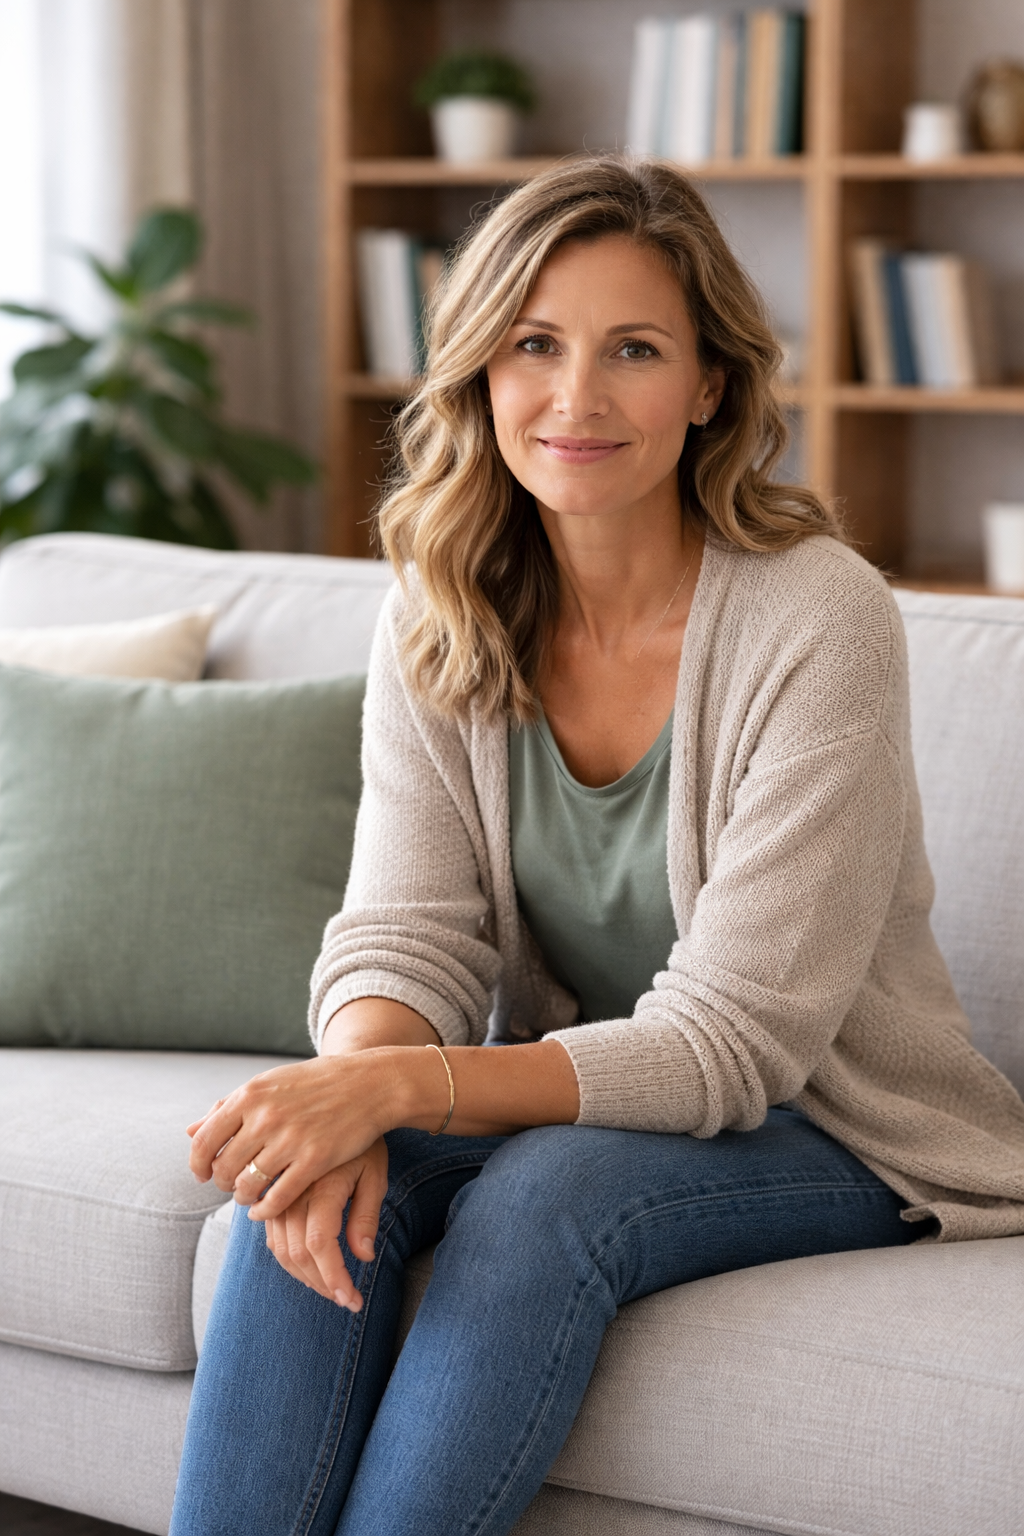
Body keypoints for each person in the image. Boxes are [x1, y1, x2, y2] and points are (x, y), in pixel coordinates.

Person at [170, 157, 1024, 1536]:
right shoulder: (443, 608)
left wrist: (391, 1093)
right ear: (480, 376)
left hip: (835, 1122)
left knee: (540, 1195)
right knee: (313, 1172)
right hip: (592, 1096)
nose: (576, 398)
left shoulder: (821, 619)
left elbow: (731, 1042)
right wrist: (351, 1095)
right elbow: (410, 931)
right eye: (534, 346)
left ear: (709, 385)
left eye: (633, 349)